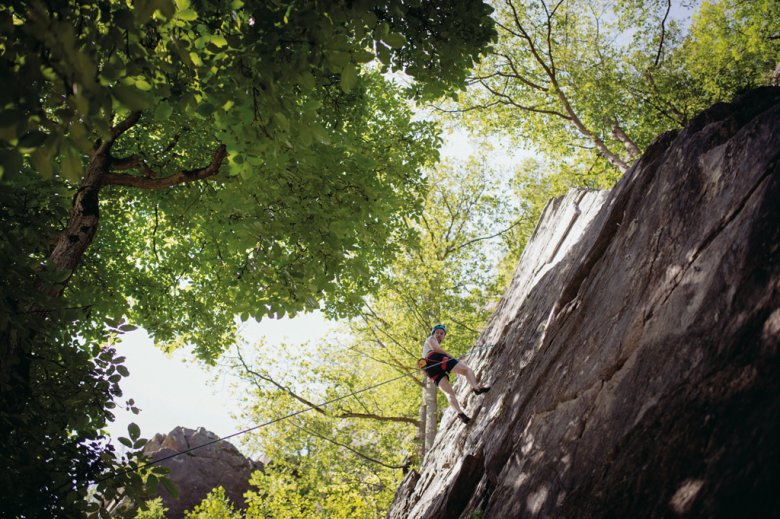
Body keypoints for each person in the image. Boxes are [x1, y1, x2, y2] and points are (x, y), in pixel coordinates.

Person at [421, 324, 490, 424]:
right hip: (436, 358)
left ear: (444, 336)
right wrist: (451, 357)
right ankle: (476, 388)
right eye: (437, 333)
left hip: (430, 370)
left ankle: (460, 414)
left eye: (442, 333)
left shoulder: (427, 347)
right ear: (433, 333)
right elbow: (436, 349)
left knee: (449, 393)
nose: (439, 335)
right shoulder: (431, 338)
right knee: (467, 370)